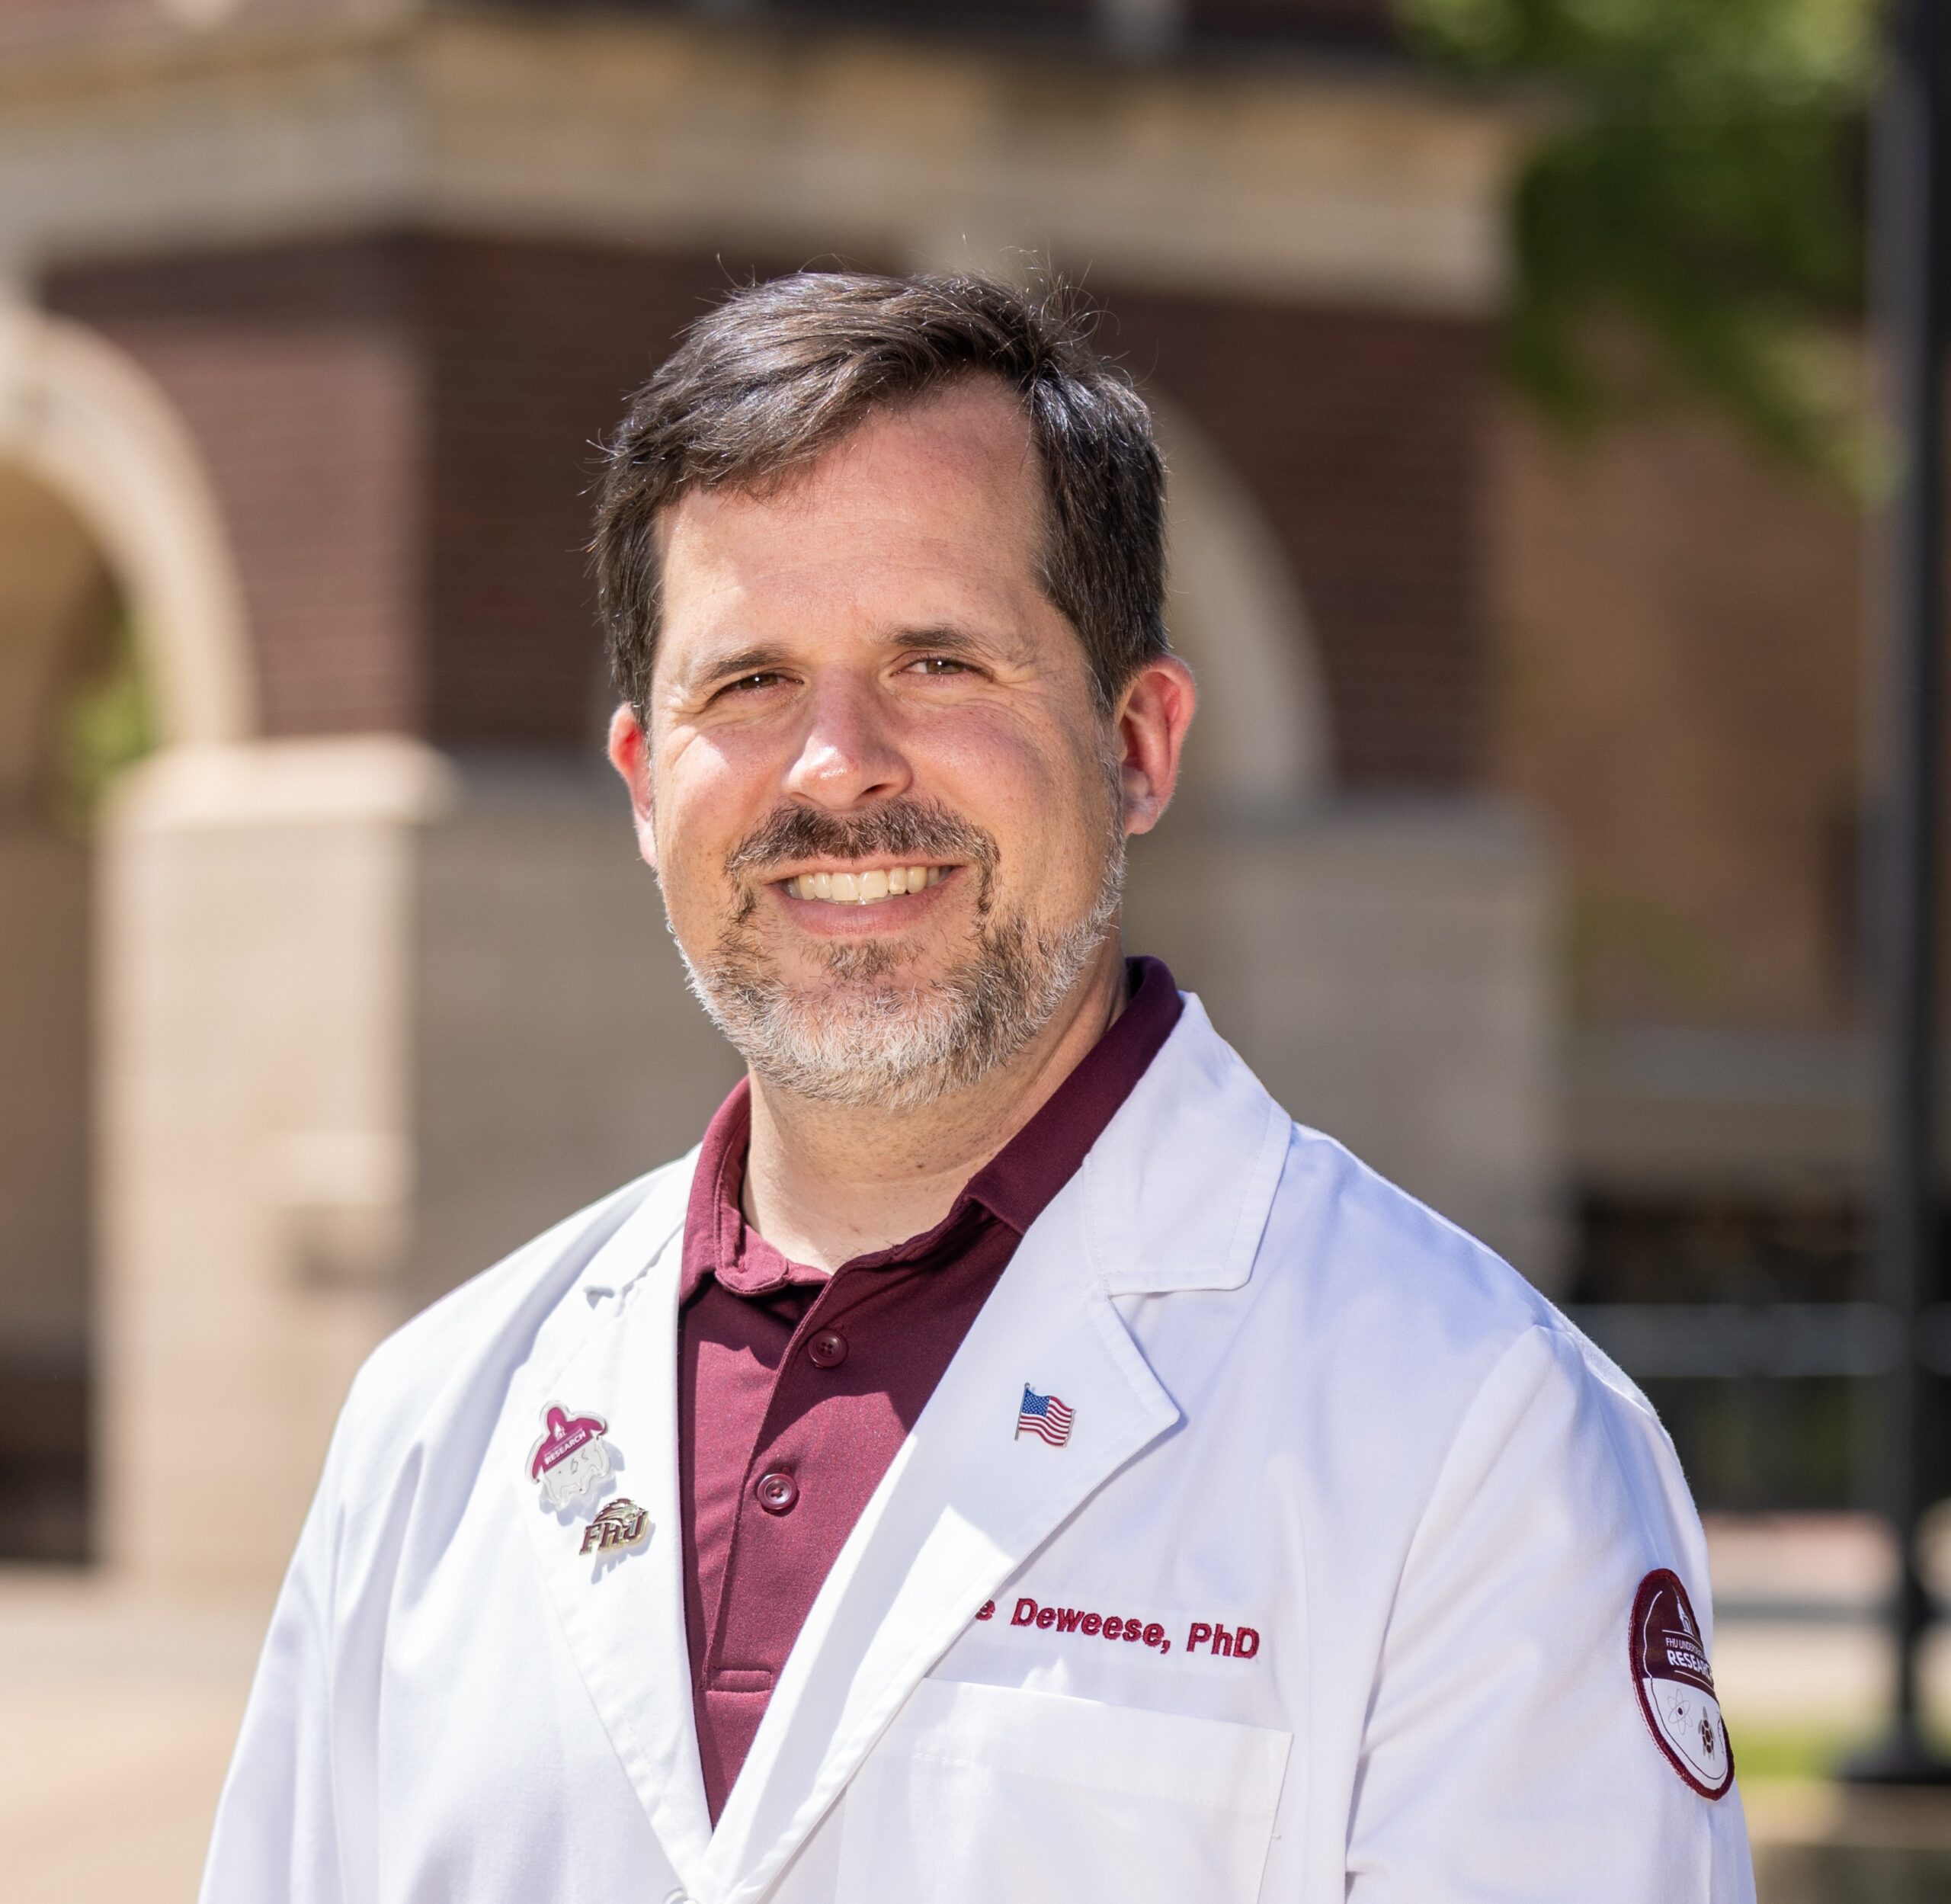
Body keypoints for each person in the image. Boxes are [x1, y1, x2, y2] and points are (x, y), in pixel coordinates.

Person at [199, 271, 1755, 1903]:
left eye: (939, 661)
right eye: (747, 684)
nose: (836, 764)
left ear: (1138, 743)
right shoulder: (432, 1421)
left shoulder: (1470, 1437)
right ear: (647, 788)